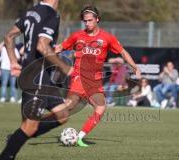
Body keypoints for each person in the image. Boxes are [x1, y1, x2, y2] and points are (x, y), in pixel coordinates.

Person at [55, 5, 141, 147]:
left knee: (100, 108)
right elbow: (61, 47)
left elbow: (122, 52)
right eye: (85, 21)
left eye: (89, 20)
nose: (87, 23)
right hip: (79, 77)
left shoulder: (107, 38)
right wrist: (46, 50)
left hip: (95, 81)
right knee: (69, 106)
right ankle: (39, 117)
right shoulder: (77, 36)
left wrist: (134, 66)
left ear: (97, 19)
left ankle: (79, 137)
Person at [0, 0, 72, 159]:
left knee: (62, 114)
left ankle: (19, 136)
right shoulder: (51, 14)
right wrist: (66, 68)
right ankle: (9, 150)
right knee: (29, 127)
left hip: (41, 77)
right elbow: (42, 46)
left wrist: (13, 62)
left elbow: (9, 36)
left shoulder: (31, 12)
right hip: (36, 77)